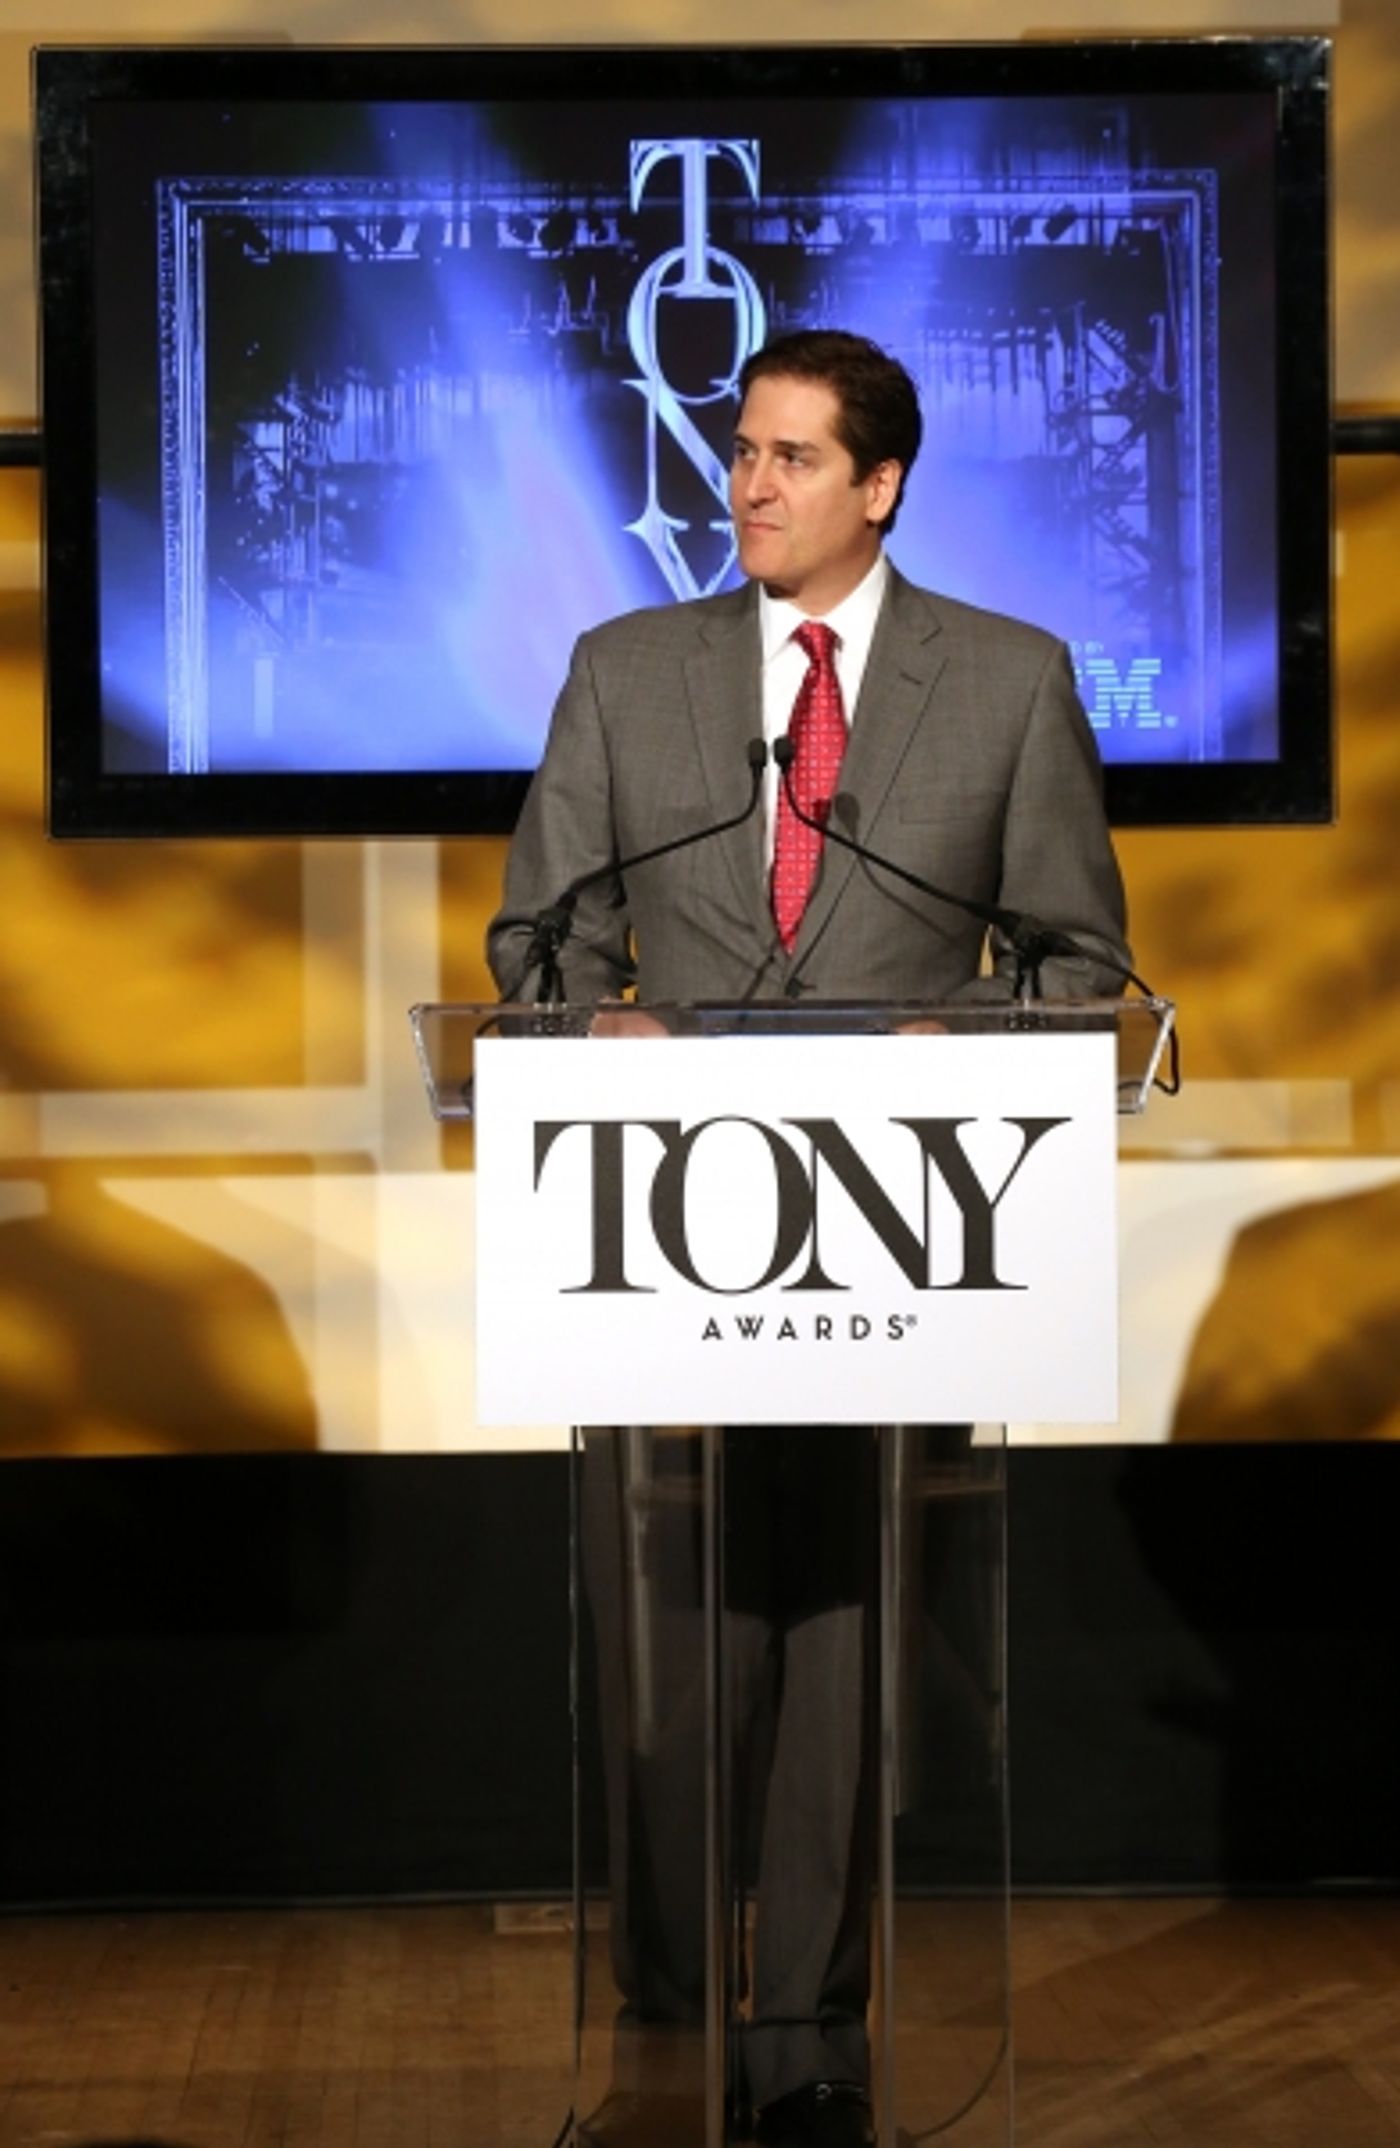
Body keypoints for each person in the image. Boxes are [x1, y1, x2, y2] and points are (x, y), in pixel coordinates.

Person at [488, 330, 1130, 2148]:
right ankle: (673, 2005)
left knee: (846, 1621)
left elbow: (1081, 967)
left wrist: (975, 1033)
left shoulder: (1005, 682)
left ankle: (808, 2029)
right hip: (658, 1234)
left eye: (787, 456)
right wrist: (591, 1010)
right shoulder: (629, 672)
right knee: (676, 1617)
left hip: (897, 1242)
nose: (747, 484)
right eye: (741, 452)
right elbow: (532, 942)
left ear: (881, 485)